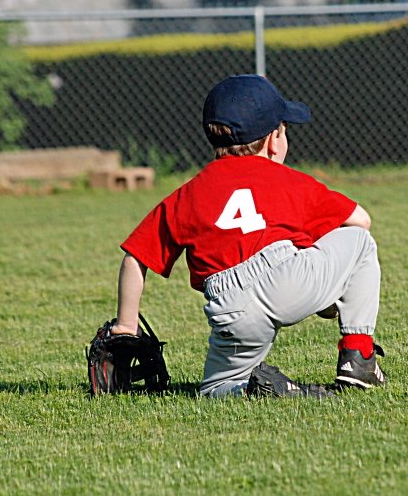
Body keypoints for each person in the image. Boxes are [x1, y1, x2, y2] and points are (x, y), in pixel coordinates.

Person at [109, 74, 385, 398]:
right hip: (286, 279)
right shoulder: (287, 179)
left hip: (229, 305)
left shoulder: (188, 194)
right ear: (273, 141)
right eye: (284, 130)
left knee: (215, 389)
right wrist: (328, 287)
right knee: (360, 244)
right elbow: (360, 221)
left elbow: (136, 258)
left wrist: (125, 326)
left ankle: (246, 390)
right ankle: (358, 357)